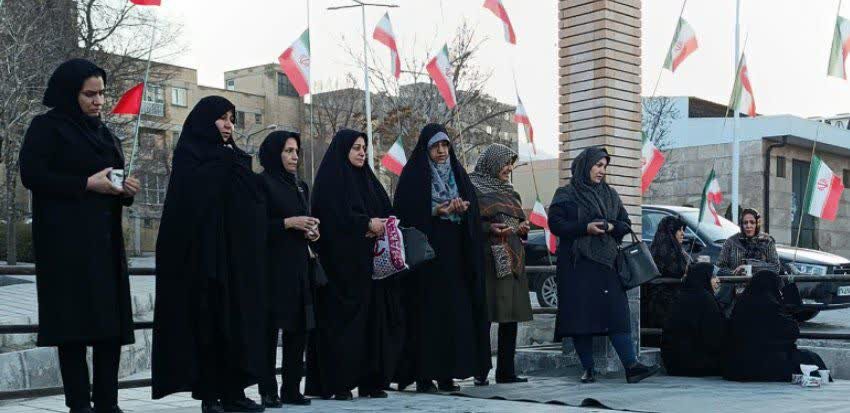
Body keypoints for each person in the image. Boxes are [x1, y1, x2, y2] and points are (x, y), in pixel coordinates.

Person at [19, 58, 141, 413]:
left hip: (105, 246)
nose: (98, 101)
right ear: (70, 93)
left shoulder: (104, 133)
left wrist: (125, 189)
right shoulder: (47, 127)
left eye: (102, 93)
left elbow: (112, 180)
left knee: (109, 330)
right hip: (66, 247)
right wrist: (86, 183)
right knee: (72, 330)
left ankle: (108, 404)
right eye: (90, 94)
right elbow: (33, 175)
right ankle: (79, 406)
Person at [151, 96, 267, 413]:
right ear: (205, 121)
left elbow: (250, 201)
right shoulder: (190, 155)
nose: (229, 125)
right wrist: (222, 165)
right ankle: (210, 395)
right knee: (208, 325)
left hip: (234, 258)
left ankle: (234, 392)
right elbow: (189, 203)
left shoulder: (236, 157)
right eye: (222, 118)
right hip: (202, 259)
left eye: (231, 119)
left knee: (236, 325)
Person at [305, 129, 404, 400]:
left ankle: (370, 381)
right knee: (343, 327)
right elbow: (331, 219)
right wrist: (364, 224)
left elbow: (385, 209)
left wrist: (382, 224)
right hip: (342, 271)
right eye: (356, 148)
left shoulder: (368, 181)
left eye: (363, 148)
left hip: (370, 269)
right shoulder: (330, 183)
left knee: (372, 324)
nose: (362, 153)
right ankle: (339, 382)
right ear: (343, 150)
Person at [393, 124, 491, 393]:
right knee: (426, 317)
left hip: (455, 259)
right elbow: (403, 212)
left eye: (445, 145)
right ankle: (424, 376)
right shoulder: (414, 175)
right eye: (435, 146)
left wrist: (463, 210)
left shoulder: (458, 175)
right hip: (425, 263)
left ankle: (448, 374)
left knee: (453, 315)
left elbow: (473, 213)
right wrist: (436, 211)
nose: (441, 151)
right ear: (426, 148)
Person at [548, 146, 658, 384]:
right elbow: (556, 225)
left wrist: (610, 226)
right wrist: (584, 228)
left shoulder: (610, 194)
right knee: (581, 317)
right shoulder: (566, 194)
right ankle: (588, 369)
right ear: (585, 165)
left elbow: (625, 223)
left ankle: (632, 367)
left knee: (617, 313)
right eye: (598, 165)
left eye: (604, 167)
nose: (601, 171)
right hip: (577, 266)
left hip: (607, 265)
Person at [256, 131, 318, 407]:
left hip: (299, 266)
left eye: (296, 151)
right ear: (274, 153)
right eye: (288, 151)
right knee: (269, 331)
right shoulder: (262, 183)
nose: (295, 157)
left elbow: (306, 220)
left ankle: (292, 388)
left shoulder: (300, 185)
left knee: (299, 329)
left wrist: (312, 231)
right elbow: (255, 226)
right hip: (272, 268)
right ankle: (267, 389)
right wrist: (288, 223)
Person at [469, 143, 532, 385]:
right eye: (505, 163)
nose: (508, 168)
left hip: (513, 257)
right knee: (486, 315)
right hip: (488, 259)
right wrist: (488, 228)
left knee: (510, 315)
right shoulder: (473, 188)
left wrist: (522, 228)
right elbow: (468, 223)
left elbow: (516, 222)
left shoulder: (510, 191)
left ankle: (506, 372)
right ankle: (480, 371)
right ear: (492, 163)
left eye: (511, 164)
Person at [724, 270, 829, 382]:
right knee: (811, 358)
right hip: (765, 366)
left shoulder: (741, 304)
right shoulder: (771, 306)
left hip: (737, 367)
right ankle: (824, 381)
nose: (780, 292)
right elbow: (792, 332)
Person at [661, 262, 727, 377]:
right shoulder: (706, 300)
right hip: (696, 364)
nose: (717, 281)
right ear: (705, 277)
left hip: (673, 364)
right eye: (713, 277)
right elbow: (714, 337)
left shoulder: (679, 296)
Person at [716, 208, 781, 316]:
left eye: (752, 222)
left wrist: (749, 266)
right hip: (735, 296)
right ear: (741, 224)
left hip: (761, 294)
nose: (748, 226)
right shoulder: (731, 242)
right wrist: (734, 273)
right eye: (745, 222)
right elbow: (719, 267)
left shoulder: (767, 241)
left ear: (757, 224)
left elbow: (775, 267)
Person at [642, 216, 692, 346]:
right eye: (679, 230)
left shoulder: (674, 249)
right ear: (671, 231)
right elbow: (675, 270)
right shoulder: (666, 251)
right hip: (664, 304)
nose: (683, 233)